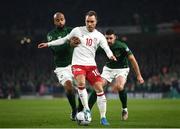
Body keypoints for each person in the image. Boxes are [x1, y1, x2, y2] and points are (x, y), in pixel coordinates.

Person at [38, 10, 117, 125]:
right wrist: (48, 44)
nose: (89, 24)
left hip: (91, 65)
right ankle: (86, 110)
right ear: (85, 21)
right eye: (87, 21)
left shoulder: (99, 36)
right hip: (75, 64)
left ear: (96, 22)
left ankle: (103, 117)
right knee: (80, 83)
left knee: (99, 89)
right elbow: (64, 39)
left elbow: (106, 48)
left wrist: (111, 55)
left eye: (92, 21)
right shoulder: (77, 30)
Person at [87, 29, 144, 121]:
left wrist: (139, 75)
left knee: (120, 86)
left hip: (122, 69)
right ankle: (87, 110)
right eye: (107, 38)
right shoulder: (102, 45)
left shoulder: (121, 46)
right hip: (108, 69)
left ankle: (124, 109)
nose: (108, 40)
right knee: (98, 86)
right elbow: (90, 50)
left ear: (115, 38)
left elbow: (133, 60)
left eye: (111, 38)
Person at [46, 12, 82, 121]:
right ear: (54, 21)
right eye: (58, 20)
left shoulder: (71, 31)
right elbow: (56, 50)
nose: (60, 21)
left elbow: (81, 40)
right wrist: (69, 44)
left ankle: (80, 111)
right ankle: (74, 110)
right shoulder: (51, 35)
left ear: (65, 20)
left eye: (62, 19)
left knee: (82, 86)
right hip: (62, 67)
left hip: (75, 64)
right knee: (69, 87)